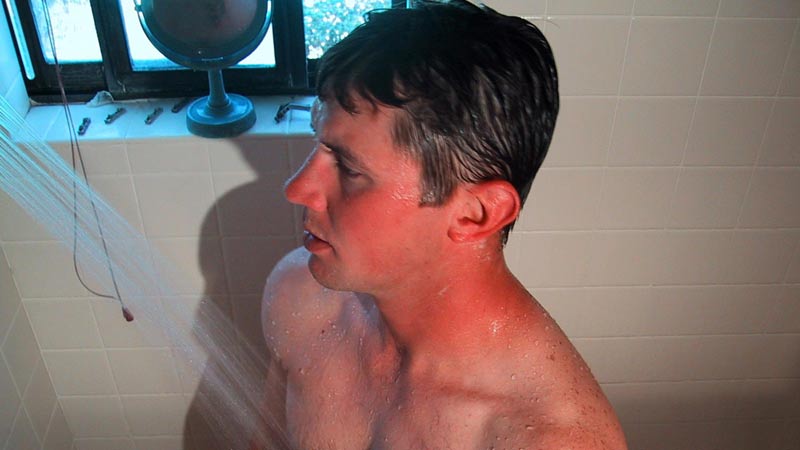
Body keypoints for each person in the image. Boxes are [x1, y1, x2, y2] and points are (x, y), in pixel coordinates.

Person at [256, 1, 627, 448]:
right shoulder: (300, 296)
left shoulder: (544, 437)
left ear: (476, 213)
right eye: (319, 143)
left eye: (349, 168)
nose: (297, 189)